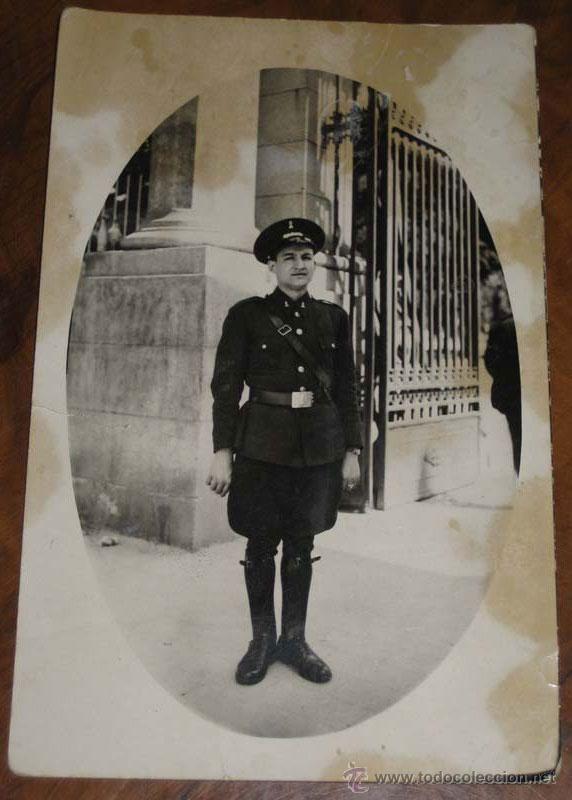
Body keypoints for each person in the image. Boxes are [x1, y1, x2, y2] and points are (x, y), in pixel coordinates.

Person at [206, 218, 362, 686]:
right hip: (260, 447)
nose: (300, 265)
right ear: (272, 265)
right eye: (289, 257)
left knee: (302, 544)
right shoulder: (246, 315)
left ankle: (294, 640)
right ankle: (261, 641)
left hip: (317, 448)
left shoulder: (333, 318)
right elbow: (225, 388)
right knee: (259, 544)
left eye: (306, 257)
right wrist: (221, 451)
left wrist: (351, 448)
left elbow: (348, 387)